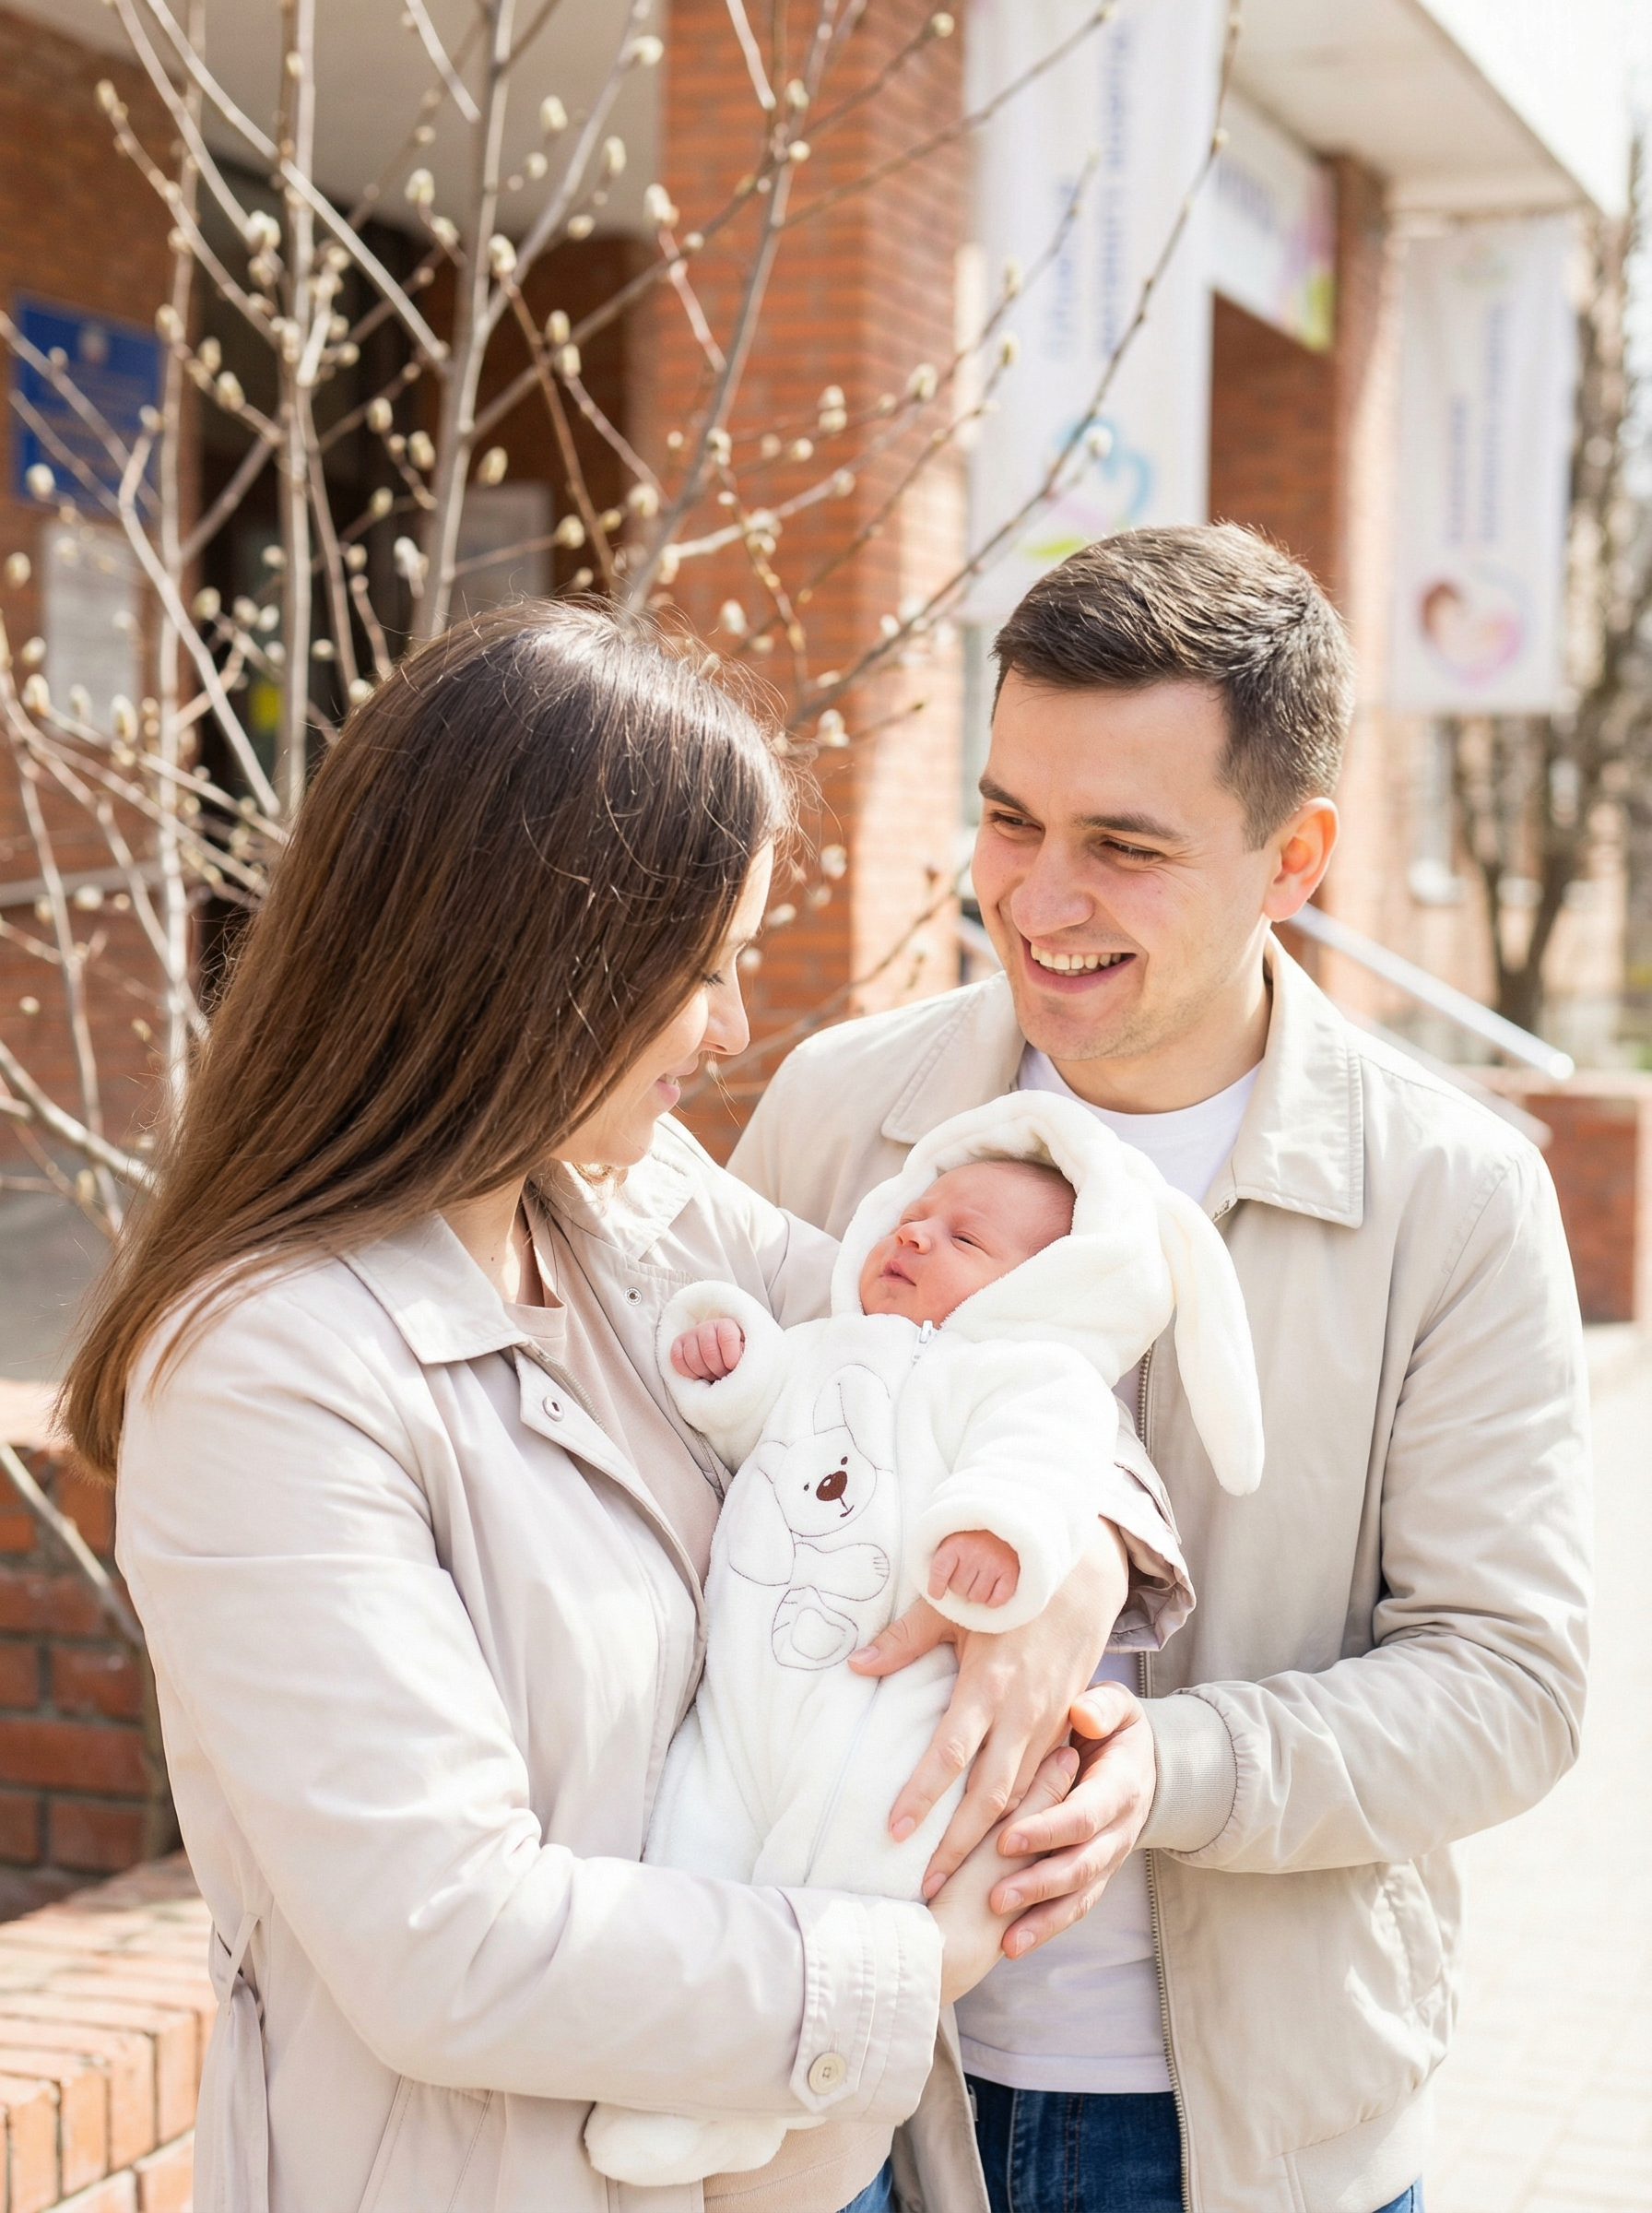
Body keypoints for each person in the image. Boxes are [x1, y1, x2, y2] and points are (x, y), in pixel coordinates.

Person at [62, 604, 1185, 2213]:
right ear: (538, 961)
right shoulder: (269, 1370)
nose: (730, 1029)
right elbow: (449, 1945)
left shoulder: (621, 1202)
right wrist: (906, 1963)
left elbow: (1000, 1345)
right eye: (703, 969)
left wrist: (1064, 1562)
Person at [731, 525, 1592, 2213]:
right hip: (836, 2092)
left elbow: (1510, 1682)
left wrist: (1162, 1766)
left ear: (1295, 859)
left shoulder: (1452, 1192)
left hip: (1240, 2137)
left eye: (1124, 845)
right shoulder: (838, 1112)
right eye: (1009, 818)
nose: (1039, 900)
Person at [587, 1092, 1260, 2188]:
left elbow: (1045, 1455)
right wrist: (730, 1367)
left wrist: (1001, 1533)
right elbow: (763, 1418)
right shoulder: (837, 1347)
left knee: (843, 1876)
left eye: (964, 1238)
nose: (914, 1235)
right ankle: (667, 2081)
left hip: (885, 1716)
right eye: (915, 1214)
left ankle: (745, 2099)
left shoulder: (1024, 1373)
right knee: (693, 1848)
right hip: (747, 1700)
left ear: (1052, 1283)